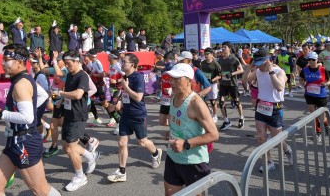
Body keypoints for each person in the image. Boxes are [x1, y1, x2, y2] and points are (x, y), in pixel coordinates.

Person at [0, 45, 61, 196]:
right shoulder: (25, 79)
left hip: (24, 142)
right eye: (3, 60)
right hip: (14, 140)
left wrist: (0, 113)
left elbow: (27, 117)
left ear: (19, 62)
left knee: (41, 191)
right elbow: (44, 96)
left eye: (7, 60)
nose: (3, 64)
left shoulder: (21, 84)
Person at [164, 63, 219, 195]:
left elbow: (214, 135)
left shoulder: (196, 103)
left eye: (177, 79)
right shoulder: (173, 96)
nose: (172, 81)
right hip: (173, 157)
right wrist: (172, 131)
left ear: (189, 80)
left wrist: (186, 143)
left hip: (194, 162)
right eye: (171, 78)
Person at [107, 53, 163, 183]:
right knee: (121, 143)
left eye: (124, 61)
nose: (122, 63)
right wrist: (117, 101)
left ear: (132, 64)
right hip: (126, 114)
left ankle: (156, 153)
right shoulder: (125, 76)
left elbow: (138, 97)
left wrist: (125, 87)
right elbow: (123, 92)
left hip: (138, 114)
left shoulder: (138, 77)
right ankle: (121, 172)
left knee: (142, 142)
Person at [244, 48, 293, 172]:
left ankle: (286, 149)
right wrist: (251, 66)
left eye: (261, 64)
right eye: (257, 64)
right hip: (261, 107)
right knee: (261, 137)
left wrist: (271, 71)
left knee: (278, 140)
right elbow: (245, 80)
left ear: (268, 61)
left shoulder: (278, 72)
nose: (259, 67)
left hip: (275, 108)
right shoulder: (258, 71)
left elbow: (280, 87)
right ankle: (269, 161)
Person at [58, 50, 100, 191]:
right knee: (65, 147)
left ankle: (80, 176)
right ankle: (90, 156)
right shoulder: (70, 74)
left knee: (70, 148)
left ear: (77, 61)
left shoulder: (83, 76)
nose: (67, 66)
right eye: (66, 64)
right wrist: (61, 100)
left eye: (69, 64)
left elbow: (77, 94)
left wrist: (60, 93)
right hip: (69, 113)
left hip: (78, 116)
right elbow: (69, 91)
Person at [301, 51, 330, 142]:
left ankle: (326, 125)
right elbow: (301, 79)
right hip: (309, 95)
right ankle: (318, 132)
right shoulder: (305, 70)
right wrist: (303, 84)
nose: (311, 61)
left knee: (321, 117)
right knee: (313, 115)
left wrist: (325, 83)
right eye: (309, 60)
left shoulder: (323, 69)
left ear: (317, 59)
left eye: (313, 60)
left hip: (321, 95)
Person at [217, 43, 245, 130]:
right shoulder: (220, 59)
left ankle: (241, 117)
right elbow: (219, 71)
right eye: (222, 47)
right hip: (223, 84)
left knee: (236, 102)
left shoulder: (233, 59)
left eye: (225, 47)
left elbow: (241, 70)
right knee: (221, 102)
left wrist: (232, 74)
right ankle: (226, 121)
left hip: (232, 84)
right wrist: (219, 80)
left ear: (229, 49)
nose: (223, 49)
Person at [200, 48, 222, 123]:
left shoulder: (215, 64)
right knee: (201, 99)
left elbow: (220, 75)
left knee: (213, 101)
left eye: (207, 54)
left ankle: (215, 115)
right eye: (205, 54)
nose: (206, 55)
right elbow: (201, 73)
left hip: (213, 84)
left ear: (212, 54)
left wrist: (212, 80)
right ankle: (209, 108)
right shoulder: (202, 63)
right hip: (204, 84)